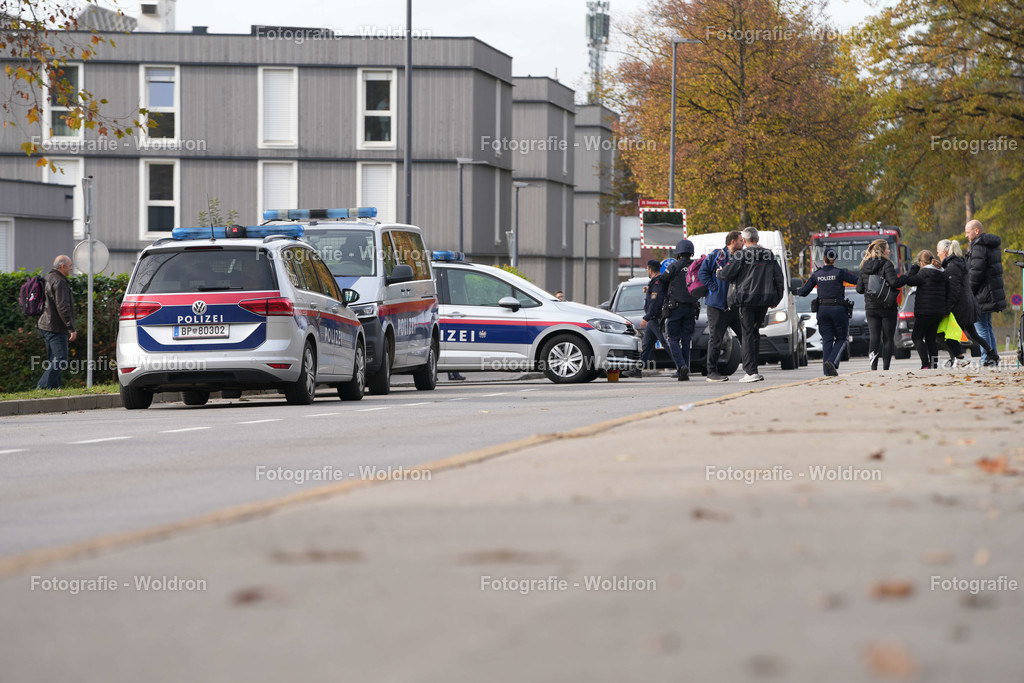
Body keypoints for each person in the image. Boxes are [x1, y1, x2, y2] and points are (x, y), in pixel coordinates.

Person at [716, 227, 784, 383]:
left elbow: (727, 274)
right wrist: (776, 300)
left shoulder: (742, 254)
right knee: (754, 333)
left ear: (745, 241)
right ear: (758, 239)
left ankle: (750, 371)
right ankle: (754, 369)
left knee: (746, 334)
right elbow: (779, 279)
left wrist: (719, 272)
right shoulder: (769, 255)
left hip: (746, 300)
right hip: (764, 301)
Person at [797, 247, 857, 376]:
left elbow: (803, 292)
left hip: (822, 311)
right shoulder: (840, 273)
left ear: (823, 258)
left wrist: (793, 290)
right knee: (841, 338)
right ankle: (831, 362)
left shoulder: (816, 275)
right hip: (839, 310)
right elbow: (856, 281)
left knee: (827, 340)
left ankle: (827, 371)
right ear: (834, 259)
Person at [938, 238, 992, 366]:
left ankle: (959, 358)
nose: (938, 254)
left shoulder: (952, 266)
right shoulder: (956, 263)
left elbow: (953, 290)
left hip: (960, 307)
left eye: (938, 251)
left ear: (945, 252)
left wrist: (947, 308)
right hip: (965, 305)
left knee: (949, 335)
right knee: (972, 334)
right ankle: (991, 353)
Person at [698, 230, 743, 382]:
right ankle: (712, 372)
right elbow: (702, 274)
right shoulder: (717, 256)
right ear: (732, 242)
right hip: (717, 305)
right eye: (740, 240)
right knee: (716, 339)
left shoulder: (741, 257)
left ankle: (751, 369)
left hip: (735, 305)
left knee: (746, 335)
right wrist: (714, 289)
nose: (743, 242)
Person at [856, 238, 902, 371]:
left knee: (874, 337)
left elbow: (859, 289)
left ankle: (873, 367)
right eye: (888, 248)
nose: (889, 250)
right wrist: (905, 278)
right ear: (882, 250)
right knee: (887, 338)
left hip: (871, 307)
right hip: (887, 307)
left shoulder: (864, 266)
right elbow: (894, 283)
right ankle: (886, 368)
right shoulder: (887, 265)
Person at [657, 239, 699, 381]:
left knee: (673, 339)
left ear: (678, 253)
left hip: (675, 309)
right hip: (691, 309)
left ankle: (681, 366)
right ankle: (684, 369)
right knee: (686, 340)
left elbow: (662, 281)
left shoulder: (674, 266)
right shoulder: (695, 266)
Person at [965, 219, 1005, 366]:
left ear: (976, 231)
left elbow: (976, 272)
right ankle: (993, 356)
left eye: (968, 232)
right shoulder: (990, 244)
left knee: (981, 327)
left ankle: (986, 357)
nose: (966, 236)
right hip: (990, 292)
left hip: (982, 294)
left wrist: (968, 292)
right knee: (987, 326)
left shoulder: (979, 246)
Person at [900, 250, 948, 369]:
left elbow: (910, 281)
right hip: (938, 311)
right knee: (930, 338)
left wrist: (913, 269)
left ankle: (925, 364)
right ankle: (933, 364)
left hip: (925, 311)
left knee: (916, 337)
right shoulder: (942, 273)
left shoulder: (924, 273)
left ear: (922, 262)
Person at [36, 255, 77, 389]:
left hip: (45, 325)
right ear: (63, 266)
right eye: (70, 266)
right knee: (61, 359)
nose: (71, 269)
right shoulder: (60, 282)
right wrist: (71, 327)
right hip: (55, 327)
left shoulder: (47, 278)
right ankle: (42, 387)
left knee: (54, 359)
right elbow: (63, 307)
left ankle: (54, 388)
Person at [628, 259, 671, 378]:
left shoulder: (657, 283)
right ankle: (637, 370)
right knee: (646, 346)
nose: (647, 271)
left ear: (650, 269)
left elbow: (655, 302)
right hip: (653, 319)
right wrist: (648, 291)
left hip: (655, 318)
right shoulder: (656, 283)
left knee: (665, 343)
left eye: (647, 269)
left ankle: (682, 366)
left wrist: (646, 318)